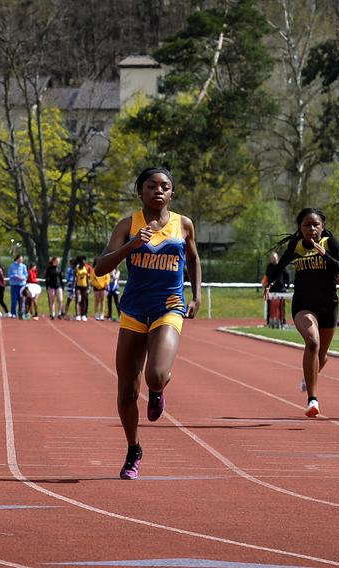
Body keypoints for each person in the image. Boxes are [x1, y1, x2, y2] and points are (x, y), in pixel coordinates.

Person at [94, 167, 202, 480]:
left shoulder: (183, 224)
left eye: (164, 186)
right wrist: (131, 246)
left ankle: (157, 391)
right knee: (127, 391)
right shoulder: (128, 224)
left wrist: (195, 297)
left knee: (155, 375)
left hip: (169, 306)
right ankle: (134, 449)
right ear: (140, 191)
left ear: (172, 193)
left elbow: (193, 260)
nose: (158, 191)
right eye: (151, 185)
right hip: (133, 309)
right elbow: (100, 267)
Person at [274, 208, 339, 417]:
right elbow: (279, 266)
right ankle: (312, 399)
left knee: (322, 356)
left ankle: (308, 377)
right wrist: (270, 281)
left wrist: (325, 256)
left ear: (322, 227)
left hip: (329, 306)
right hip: (303, 305)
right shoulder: (296, 245)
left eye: (315, 225)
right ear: (300, 228)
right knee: (312, 342)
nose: (311, 229)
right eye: (306, 225)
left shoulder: (331, 244)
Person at [262, 252, 289, 328]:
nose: (273, 259)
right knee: (269, 306)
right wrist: (265, 284)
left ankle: (283, 321)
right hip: (271, 288)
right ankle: (268, 321)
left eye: (274, 258)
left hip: (281, 289)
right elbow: (267, 276)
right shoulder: (269, 266)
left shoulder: (281, 265)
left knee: (281, 306)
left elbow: (287, 275)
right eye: (272, 258)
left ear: (277, 258)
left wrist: (287, 286)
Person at [6, 254, 28, 318]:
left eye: (21, 259)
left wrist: (22, 277)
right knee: (14, 300)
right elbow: (9, 274)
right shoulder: (12, 266)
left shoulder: (23, 266)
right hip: (14, 285)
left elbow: (26, 275)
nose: (20, 260)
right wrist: (15, 276)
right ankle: (13, 313)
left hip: (22, 285)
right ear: (17, 259)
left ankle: (21, 313)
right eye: (19, 259)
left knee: (21, 300)